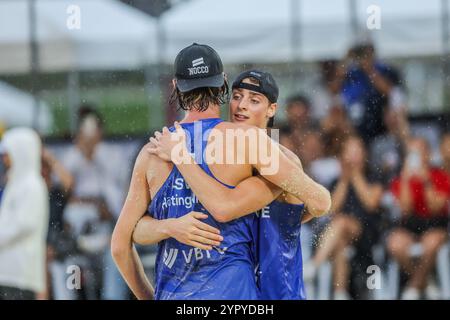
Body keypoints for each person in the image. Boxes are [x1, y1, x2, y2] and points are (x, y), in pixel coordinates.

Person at [111, 44, 331, 300]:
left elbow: (120, 245)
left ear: (175, 86)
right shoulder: (249, 141)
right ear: (223, 83)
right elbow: (320, 202)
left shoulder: (152, 152)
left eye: (254, 100)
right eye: (239, 97)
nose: (242, 106)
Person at [303, 134, 384, 300]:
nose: (353, 155)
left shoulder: (373, 176)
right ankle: (340, 294)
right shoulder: (336, 181)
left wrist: (355, 175)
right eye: (349, 151)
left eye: (357, 150)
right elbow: (330, 210)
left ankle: (314, 265)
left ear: (364, 154)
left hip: (367, 232)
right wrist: (345, 180)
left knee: (341, 223)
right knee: (340, 243)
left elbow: (371, 203)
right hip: (339, 235)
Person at [387, 136, 450, 300]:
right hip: (410, 226)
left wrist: (426, 181)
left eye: (419, 152)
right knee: (395, 244)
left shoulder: (440, 176)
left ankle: (413, 287)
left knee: (431, 243)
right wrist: (407, 180)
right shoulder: (401, 179)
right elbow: (405, 209)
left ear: (428, 154)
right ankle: (424, 281)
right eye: (412, 153)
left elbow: (435, 207)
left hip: (435, 225)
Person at [0, 128, 49, 300]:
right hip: (6, 273)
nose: (4, 159)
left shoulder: (32, 185)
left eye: (7, 153)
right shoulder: (14, 183)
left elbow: (24, 224)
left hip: (20, 274)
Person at [341, 40, 402, 143]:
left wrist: (368, 68)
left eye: (366, 54)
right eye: (361, 54)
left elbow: (390, 91)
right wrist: (347, 58)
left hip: (378, 127)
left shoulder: (383, 69)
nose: (363, 57)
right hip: (355, 126)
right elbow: (335, 84)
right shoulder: (352, 72)